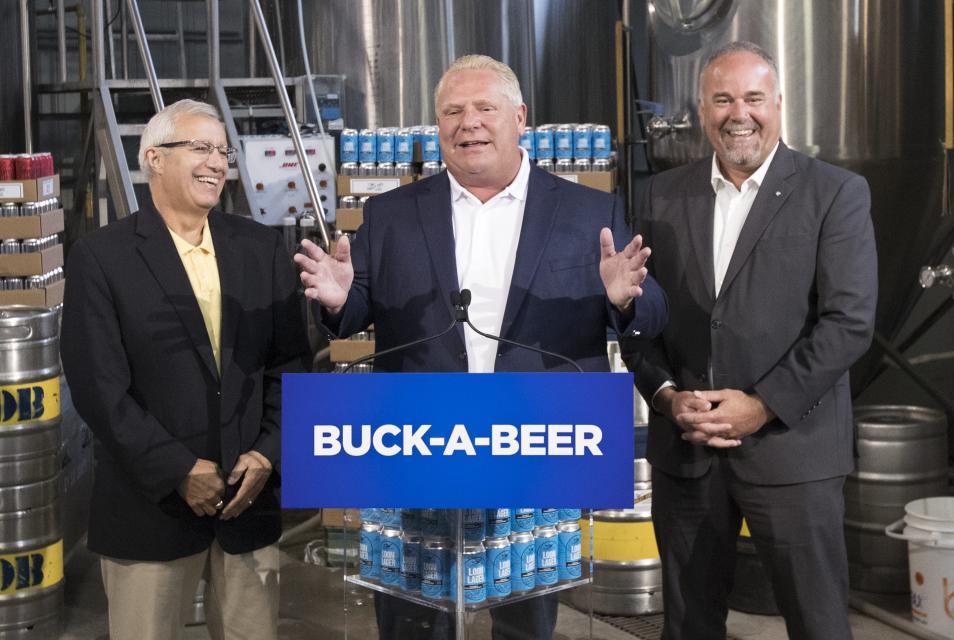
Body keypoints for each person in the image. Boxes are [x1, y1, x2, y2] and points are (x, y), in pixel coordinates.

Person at [295, 55, 667, 640]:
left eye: (484, 108)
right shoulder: (390, 213)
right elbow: (352, 311)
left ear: (519, 118)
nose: (468, 122)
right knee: (414, 620)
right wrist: (340, 302)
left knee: (524, 619)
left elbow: (651, 309)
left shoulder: (588, 212)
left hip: (536, 441)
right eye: (452, 111)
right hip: (420, 441)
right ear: (438, 126)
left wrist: (623, 301)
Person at [631, 41, 878, 639]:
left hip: (794, 450)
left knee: (817, 623)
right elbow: (639, 319)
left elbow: (849, 322)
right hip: (687, 454)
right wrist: (666, 397)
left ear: (779, 105)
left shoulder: (835, 192)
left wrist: (761, 405)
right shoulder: (661, 197)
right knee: (689, 625)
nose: (738, 113)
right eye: (722, 98)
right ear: (702, 109)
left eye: (752, 98)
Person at [60, 99, 310, 640]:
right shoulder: (102, 257)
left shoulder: (260, 248)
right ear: (153, 157)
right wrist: (178, 470)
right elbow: (99, 388)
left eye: (223, 151)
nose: (216, 162)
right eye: (200, 147)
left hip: (249, 504)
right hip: (149, 510)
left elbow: (292, 365)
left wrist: (268, 451)